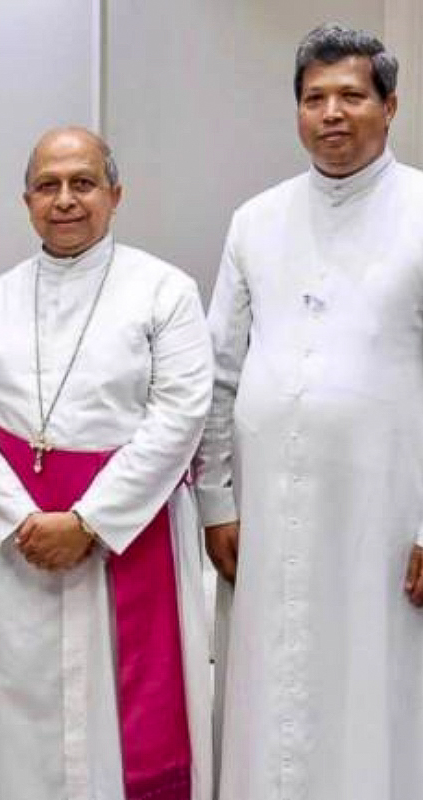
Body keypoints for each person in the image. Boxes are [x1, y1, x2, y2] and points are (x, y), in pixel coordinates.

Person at [0, 127, 214, 800]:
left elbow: (180, 415)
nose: (65, 200)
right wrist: (23, 519)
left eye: (82, 183)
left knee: (125, 723)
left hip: (129, 533)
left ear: (115, 195)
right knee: (17, 702)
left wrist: (88, 521)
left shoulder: (165, 291)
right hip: (19, 544)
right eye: (48, 185)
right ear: (26, 199)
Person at [196, 24, 423, 800]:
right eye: (314, 97)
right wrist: (217, 500)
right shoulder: (256, 219)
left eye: (352, 96)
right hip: (266, 512)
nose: (332, 113)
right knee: (270, 687)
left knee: (374, 685)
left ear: (389, 106)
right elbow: (218, 373)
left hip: (387, 514)